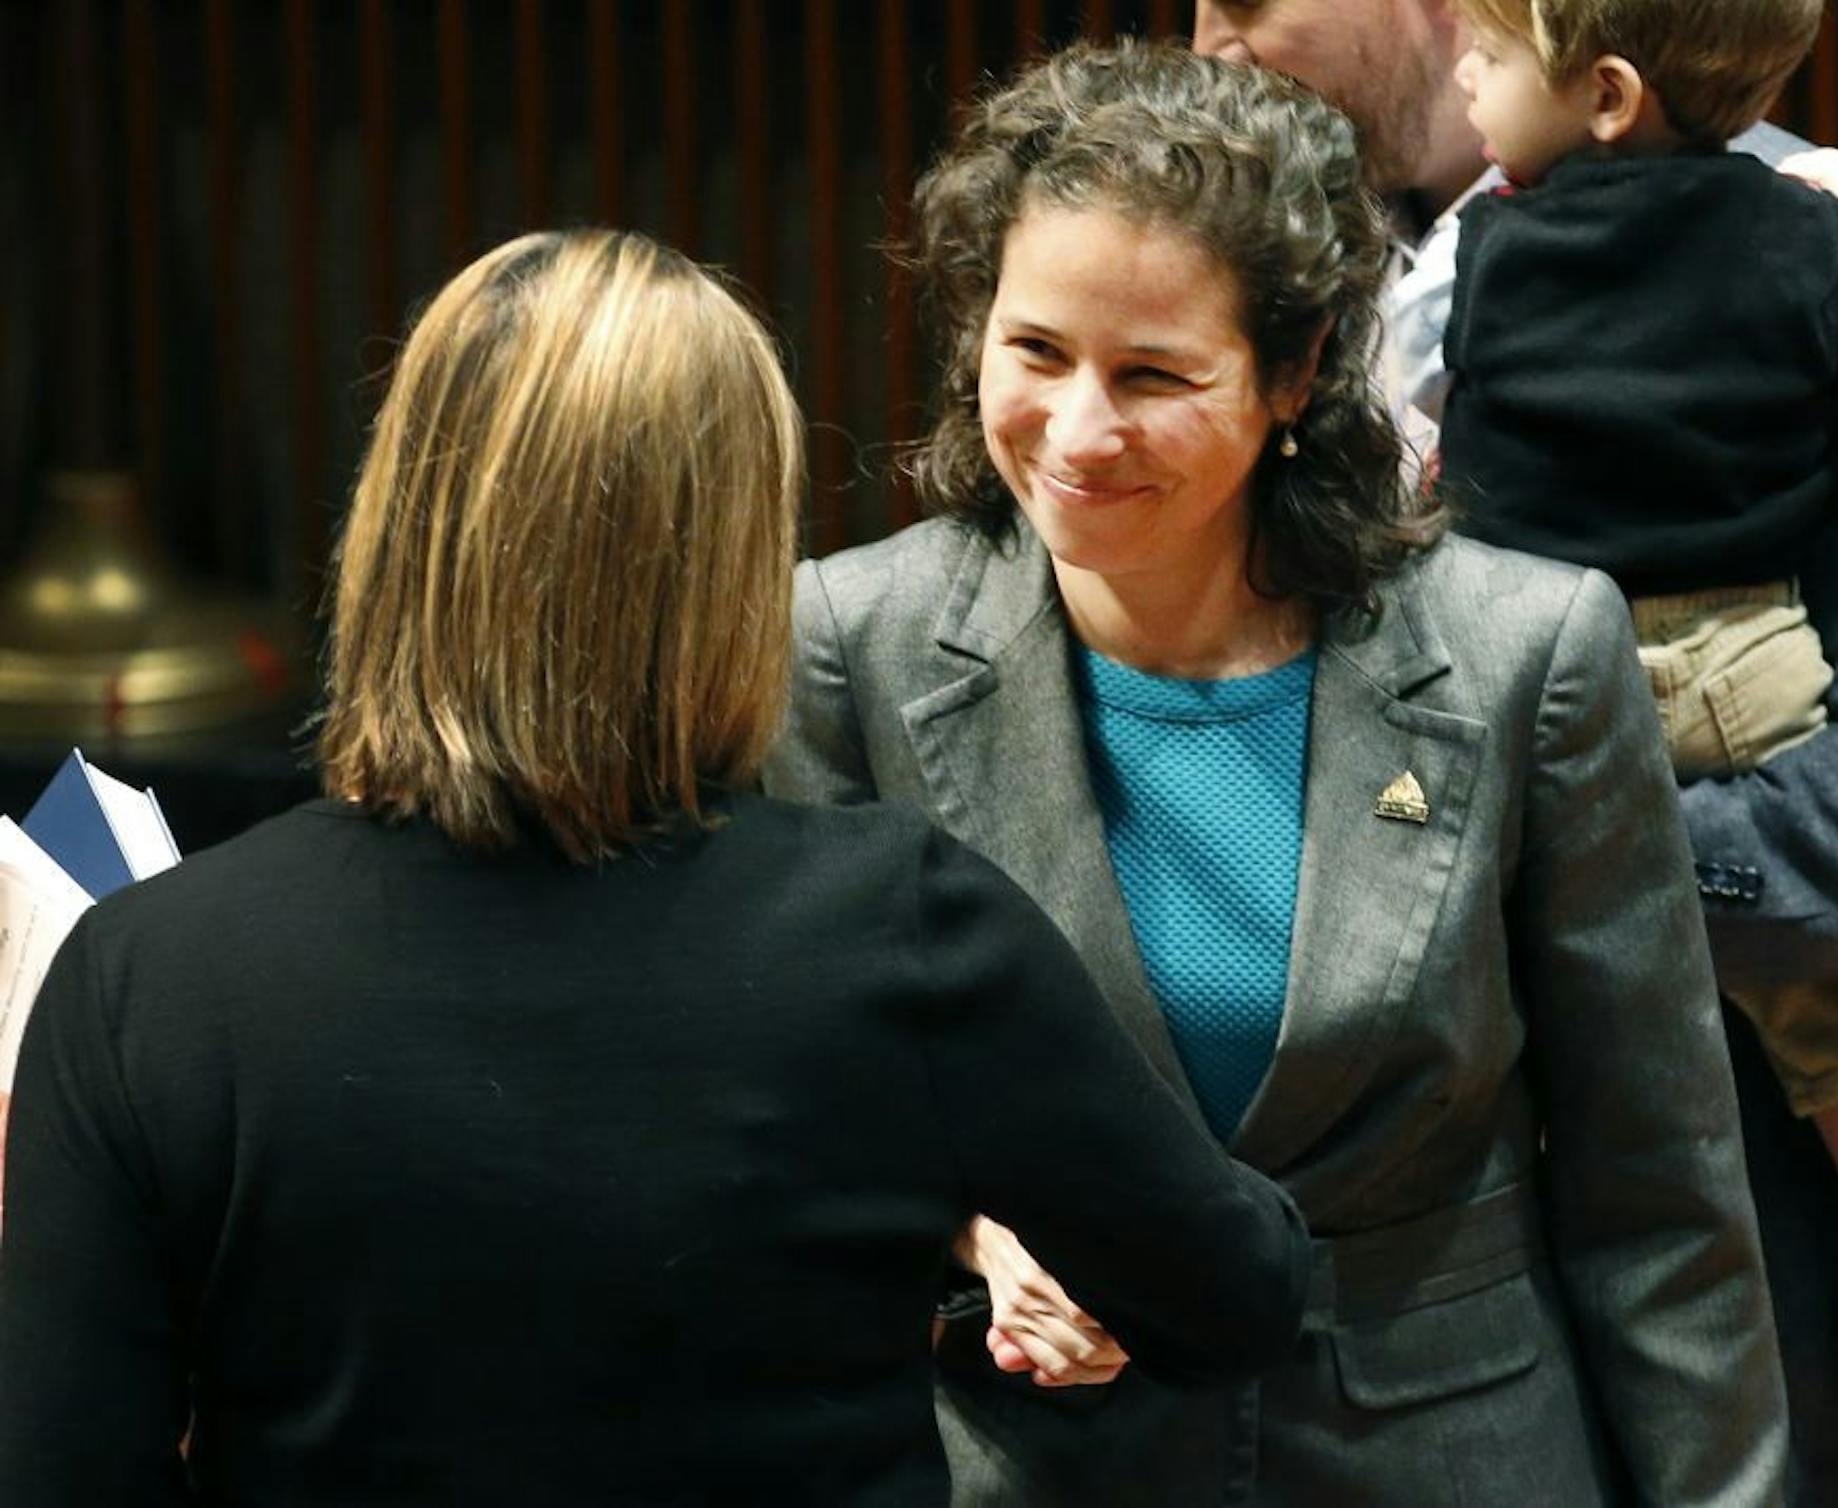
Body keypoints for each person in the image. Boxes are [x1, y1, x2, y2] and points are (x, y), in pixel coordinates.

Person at [0, 229, 1314, 1507]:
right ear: (733, 564)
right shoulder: (903, 931)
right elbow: (1237, 1295)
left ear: (399, 525)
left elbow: (58, 1470)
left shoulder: (143, 976)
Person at [766, 40, 1787, 1506]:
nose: (1078, 431)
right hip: (1038, 1460)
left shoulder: (1527, 655)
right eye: (1036, 353)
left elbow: (1662, 1197)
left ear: (1295, 373)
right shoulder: (850, 643)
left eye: (1155, 375)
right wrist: (975, 1238)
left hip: (1444, 1453)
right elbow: (810, 1117)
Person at [1193, 1, 1838, 1502]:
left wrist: (1548, 883)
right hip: (1456, 1384)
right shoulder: (1284, 291)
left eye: (1249, 0)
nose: (1205, 40)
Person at [1389, 0, 1838, 1429]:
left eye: (1486, 56)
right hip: (1746, 653)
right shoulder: (1814, 231)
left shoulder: (1476, 249)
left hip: (1539, 672)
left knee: (1507, 973)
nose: (1462, 78)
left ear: (1604, 96)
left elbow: (1390, 422)